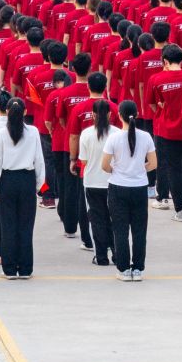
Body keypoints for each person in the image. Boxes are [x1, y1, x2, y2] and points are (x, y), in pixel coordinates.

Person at [0, 95, 46, 280]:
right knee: (26, 225)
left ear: (6, 112)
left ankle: (10, 269)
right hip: (27, 180)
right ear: (25, 112)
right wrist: (39, 184)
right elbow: (39, 160)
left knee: (8, 226)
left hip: (7, 180)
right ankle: (26, 268)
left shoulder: (1, 134)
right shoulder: (33, 132)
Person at [101, 100, 156, 281]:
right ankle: (138, 269)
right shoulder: (146, 137)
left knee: (120, 230)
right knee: (139, 230)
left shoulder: (114, 138)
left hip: (118, 187)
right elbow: (153, 163)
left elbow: (105, 165)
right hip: (139, 187)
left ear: (119, 116)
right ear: (137, 115)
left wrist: (117, 171)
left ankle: (123, 269)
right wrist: (139, 170)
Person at [77, 98, 117, 267]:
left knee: (96, 220)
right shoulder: (117, 133)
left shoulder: (86, 134)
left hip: (92, 182)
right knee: (114, 219)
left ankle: (101, 256)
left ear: (92, 115)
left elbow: (83, 161)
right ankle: (117, 253)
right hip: (113, 182)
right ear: (109, 114)